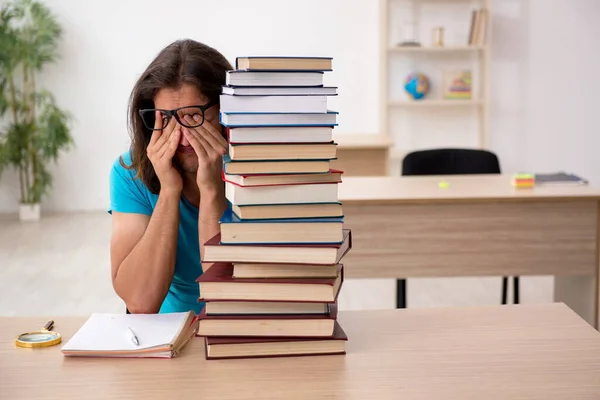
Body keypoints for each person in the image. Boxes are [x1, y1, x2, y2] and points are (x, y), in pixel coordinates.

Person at [108, 39, 232, 314]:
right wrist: (169, 190)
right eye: (165, 118)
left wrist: (212, 190)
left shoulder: (259, 169)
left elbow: (226, 296)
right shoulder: (130, 172)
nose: (181, 136)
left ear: (225, 112)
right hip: (167, 335)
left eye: (193, 117)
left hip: (241, 327)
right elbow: (140, 302)